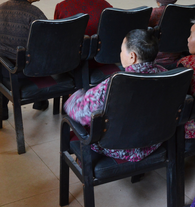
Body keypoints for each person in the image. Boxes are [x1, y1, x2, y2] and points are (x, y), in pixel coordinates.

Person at [63, 29, 167, 162]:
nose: (120, 54)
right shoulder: (167, 74)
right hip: (153, 142)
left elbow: (81, 112)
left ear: (132, 57)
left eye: (122, 50)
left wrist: (75, 97)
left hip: (119, 147)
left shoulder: (114, 84)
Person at [0, 0, 48, 114]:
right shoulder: (35, 14)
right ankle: (40, 101)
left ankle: (2, 109)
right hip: (27, 71)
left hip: (2, 68)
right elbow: (46, 45)